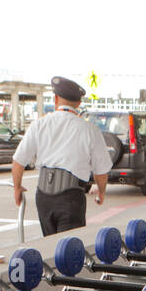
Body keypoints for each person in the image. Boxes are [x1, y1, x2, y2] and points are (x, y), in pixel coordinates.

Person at [11, 76, 111, 236]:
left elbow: (18, 161)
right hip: (71, 197)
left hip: (43, 197)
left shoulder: (39, 125)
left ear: (56, 98)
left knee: (51, 245)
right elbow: (101, 171)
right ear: (78, 103)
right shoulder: (89, 129)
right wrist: (101, 191)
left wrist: (17, 187)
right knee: (69, 250)